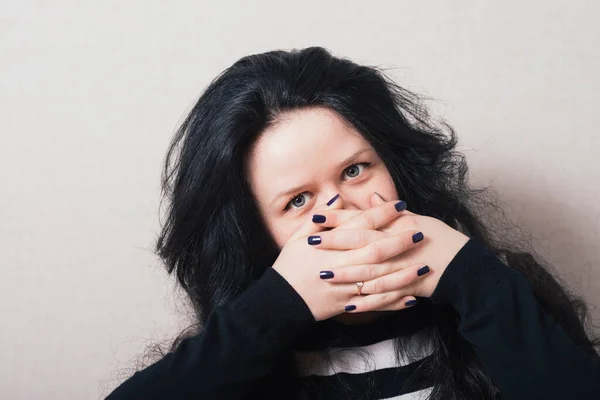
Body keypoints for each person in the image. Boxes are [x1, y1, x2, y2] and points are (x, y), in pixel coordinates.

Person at [106, 47, 600, 399]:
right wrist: (272, 309)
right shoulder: (238, 346)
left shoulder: (496, 291)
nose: (343, 210)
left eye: (355, 170)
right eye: (298, 200)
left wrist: (474, 278)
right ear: (256, 232)